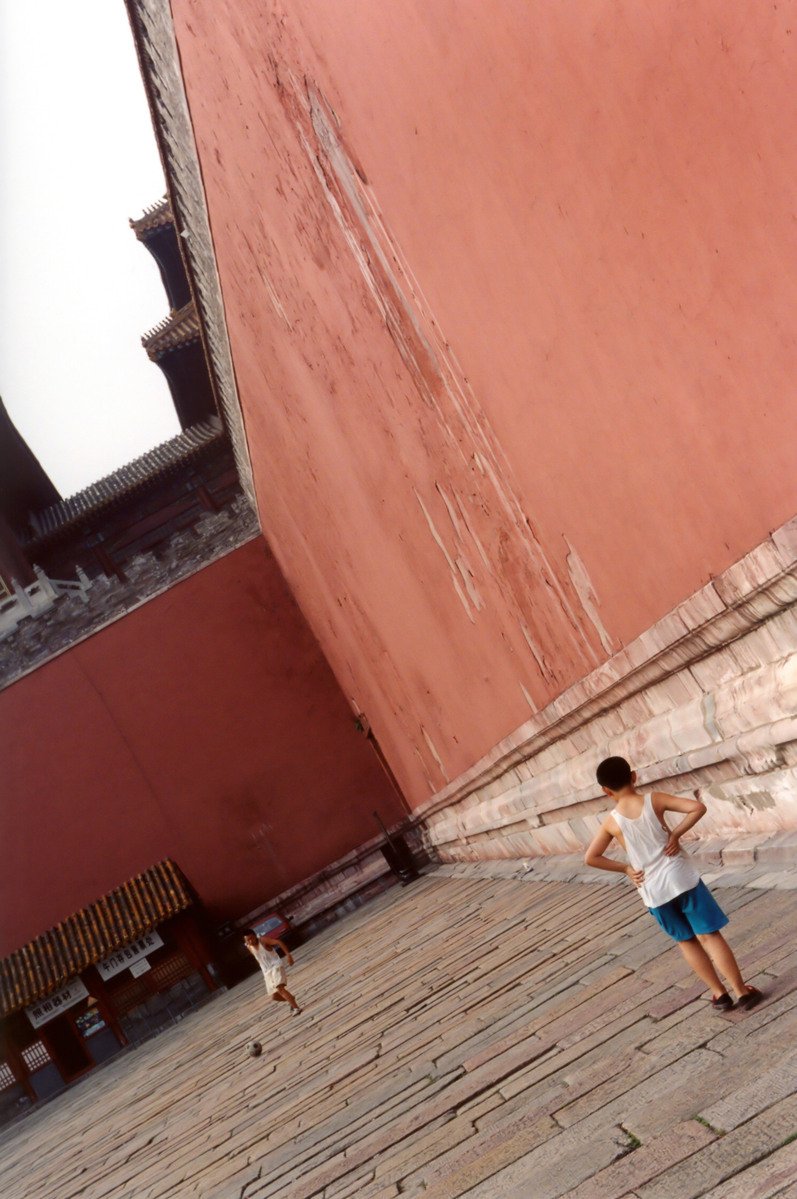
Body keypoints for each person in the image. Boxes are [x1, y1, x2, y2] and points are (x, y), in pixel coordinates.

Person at [584, 756, 762, 1012]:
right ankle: (742, 992)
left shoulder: (612, 822)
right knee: (709, 935)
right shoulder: (654, 800)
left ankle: (719, 994)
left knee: (686, 941)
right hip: (681, 877)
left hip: (652, 890)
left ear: (605, 791)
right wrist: (676, 834)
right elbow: (697, 808)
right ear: (633, 776)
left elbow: (591, 858)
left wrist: (625, 868)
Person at [243, 928, 303, 1015]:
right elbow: (258, 957)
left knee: (280, 988)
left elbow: (278, 942)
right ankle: (291, 998)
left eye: (251, 938)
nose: (250, 941)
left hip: (276, 966)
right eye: (248, 940)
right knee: (275, 997)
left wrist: (288, 955)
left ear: (255, 936)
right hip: (267, 971)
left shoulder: (263, 941)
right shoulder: (249, 947)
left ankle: (296, 1008)